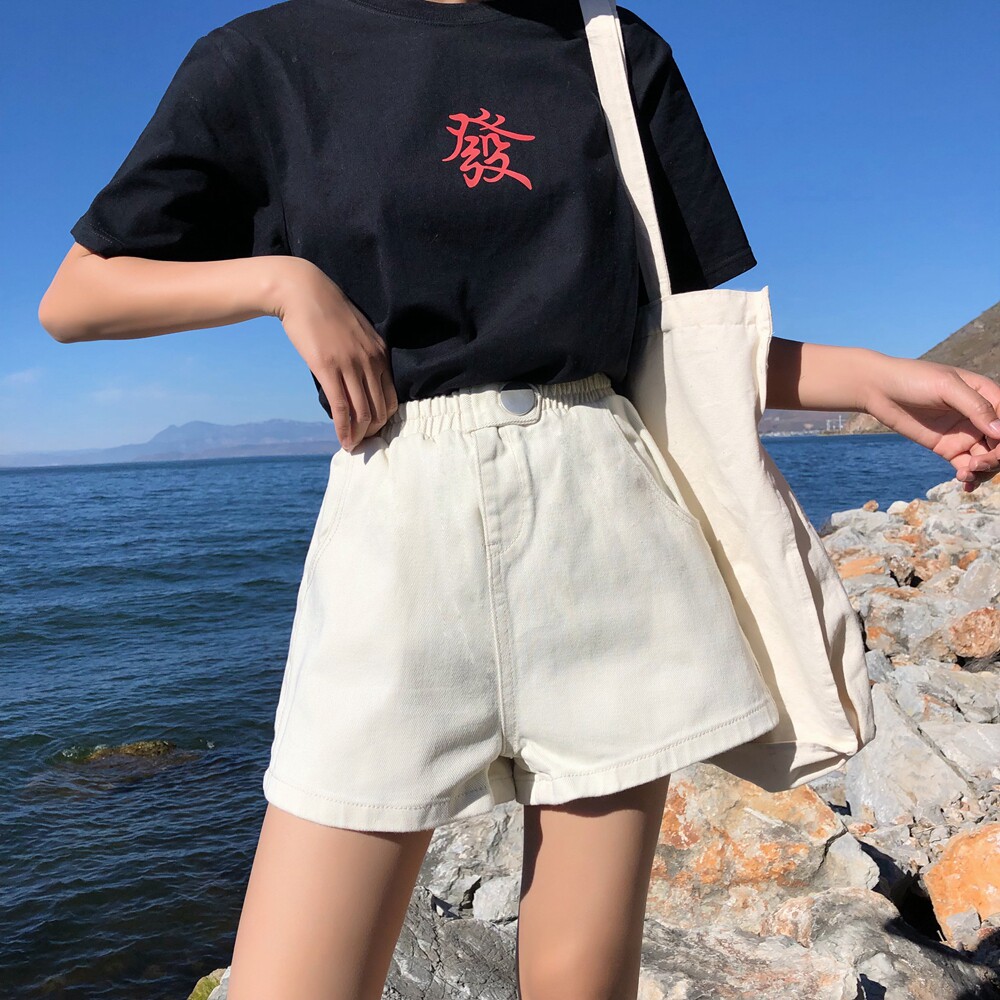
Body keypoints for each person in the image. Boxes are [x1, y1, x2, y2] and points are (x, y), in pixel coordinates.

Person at [38, 0, 1000, 997]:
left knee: (582, 982)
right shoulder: (270, 57)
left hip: (605, 523)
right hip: (398, 530)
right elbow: (78, 293)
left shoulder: (614, 49)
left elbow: (662, 343)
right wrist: (283, 283)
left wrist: (872, 380)